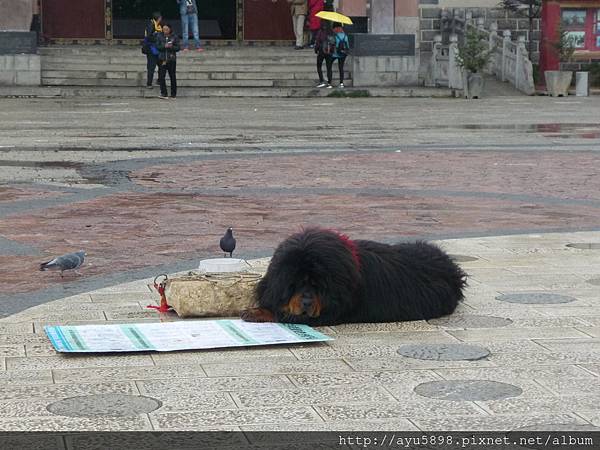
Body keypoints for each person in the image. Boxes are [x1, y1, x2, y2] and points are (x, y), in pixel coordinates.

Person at [156, 24, 180, 99]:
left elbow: (178, 47)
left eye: (166, 29)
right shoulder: (159, 36)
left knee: (172, 76)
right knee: (161, 76)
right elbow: (157, 46)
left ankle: (173, 94)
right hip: (162, 59)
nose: (165, 31)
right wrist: (164, 46)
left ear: (170, 29)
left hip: (171, 59)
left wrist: (171, 47)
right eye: (163, 29)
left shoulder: (174, 36)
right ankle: (164, 93)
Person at [142, 12, 162, 89]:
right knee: (151, 67)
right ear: (158, 18)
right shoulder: (151, 25)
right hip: (151, 49)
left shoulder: (158, 26)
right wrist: (158, 39)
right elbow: (149, 37)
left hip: (157, 49)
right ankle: (149, 83)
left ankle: (159, 80)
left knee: (161, 65)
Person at [314, 21, 334, 88]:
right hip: (329, 52)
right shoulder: (331, 32)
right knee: (329, 67)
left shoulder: (320, 32)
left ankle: (322, 81)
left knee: (319, 66)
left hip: (321, 51)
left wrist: (316, 50)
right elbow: (333, 42)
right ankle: (329, 83)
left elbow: (317, 41)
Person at [332, 22, 349, 88]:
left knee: (329, 64)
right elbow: (347, 45)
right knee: (341, 68)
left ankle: (328, 80)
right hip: (343, 54)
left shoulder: (335, 36)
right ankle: (341, 83)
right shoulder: (345, 36)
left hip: (336, 54)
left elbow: (333, 44)